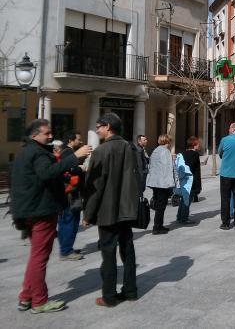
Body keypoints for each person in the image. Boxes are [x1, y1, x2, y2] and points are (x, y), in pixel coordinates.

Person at [11, 119, 91, 313]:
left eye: (50, 132)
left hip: (29, 210)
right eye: (46, 133)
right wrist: (75, 157)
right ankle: (39, 301)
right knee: (40, 257)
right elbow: (47, 173)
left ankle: (26, 297)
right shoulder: (37, 153)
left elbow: (42, 176)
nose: (50, 136)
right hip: (41, 210)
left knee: (35, 256)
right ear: (34, 135)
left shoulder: (26, 152)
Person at [83, 112, 139, 308]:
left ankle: (109, 295)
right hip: (126, 209)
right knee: (128, 250)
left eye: (99, 126)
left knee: (108, 254)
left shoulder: (101, 151)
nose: (97, 129)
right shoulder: (129, 147)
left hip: (107, 211)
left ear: (108, 127)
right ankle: (130, 290)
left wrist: (88, 214)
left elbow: (94, 186)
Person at [57, 130, 86, 261]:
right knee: (70, 221)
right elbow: (71, 170)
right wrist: (82, 168)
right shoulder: (69, 153)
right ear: (71, 140)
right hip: (71, 193)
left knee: (65, 221)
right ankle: (66, 251)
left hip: (64, 193)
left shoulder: (63, 151)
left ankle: (66, 247)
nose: (80, 142)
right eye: (78, 139)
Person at [146, 134, 175, 235]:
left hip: (155, 182)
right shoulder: (165, 152)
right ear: (167, 141)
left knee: (159, 205)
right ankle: (157, 227)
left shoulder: (155, 150)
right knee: (161, 206)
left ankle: (159, 225)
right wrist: (171, 184)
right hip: (162, 183)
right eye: (170, 141)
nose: (170, 143)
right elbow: (168, 169)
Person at [182, 136, 202, 202]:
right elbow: (192, 166)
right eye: (198, 144)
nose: (199, 145)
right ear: (194, 145)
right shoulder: (195, 154)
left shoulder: (184, 153)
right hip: (193, 177)